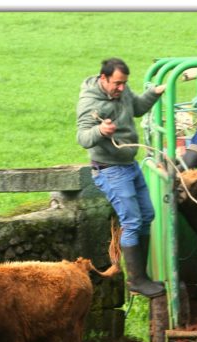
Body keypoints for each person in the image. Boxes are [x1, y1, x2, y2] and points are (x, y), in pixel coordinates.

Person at [76, 58, 167, 298]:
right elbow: (83, 138)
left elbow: (136, 107)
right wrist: (100, 131)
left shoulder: (122, 92)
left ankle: (143, 276)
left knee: (147, 215)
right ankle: (136, 280)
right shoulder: (90, 102)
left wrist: (154, 93)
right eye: (117, 83)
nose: (122, 88)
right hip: (110, 169)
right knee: (133, 221)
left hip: (129, 164)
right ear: (103, 78)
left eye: (125, 83)